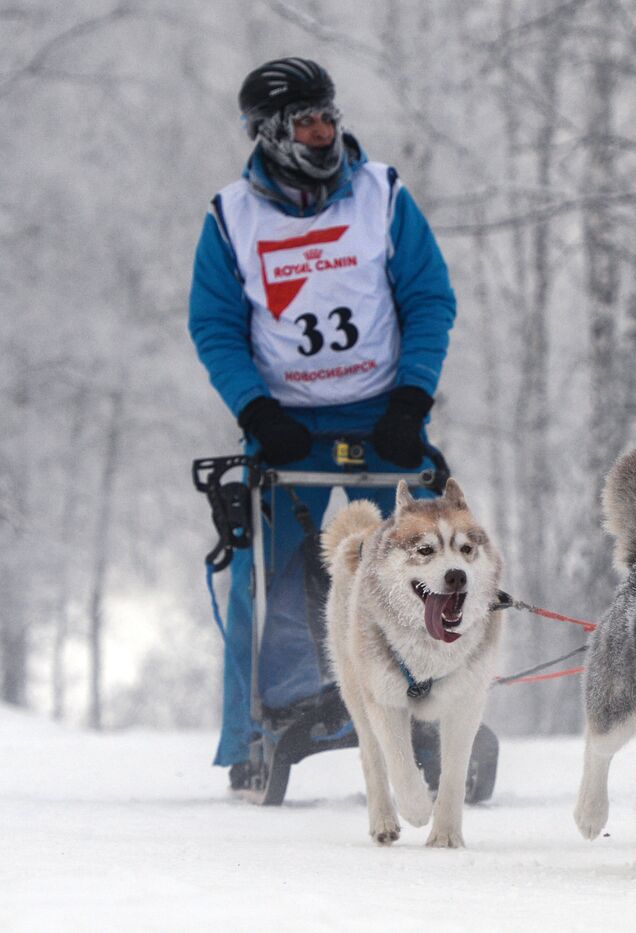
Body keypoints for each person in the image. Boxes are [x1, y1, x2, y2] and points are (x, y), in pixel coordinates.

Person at [188, 58, 457, 780]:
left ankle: (426, 698)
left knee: (420, 564)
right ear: (270, 134)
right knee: (264, 576)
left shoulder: (382, 194)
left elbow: (430, 298)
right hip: (286, 428)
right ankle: (264, 724)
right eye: (304, 120)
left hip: (383, 418)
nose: (322, 130)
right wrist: (255, 409)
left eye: (327, 115)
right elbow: (214, 325)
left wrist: (412, 398)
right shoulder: (231, 218)